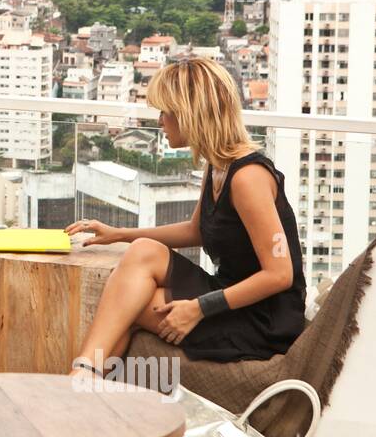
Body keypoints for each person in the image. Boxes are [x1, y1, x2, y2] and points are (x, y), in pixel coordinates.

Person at [66, 57, 305, 376]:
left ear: (191, 115)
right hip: (228, 288)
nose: (161, 121)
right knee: (142, 252)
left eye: (166, 112)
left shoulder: (248, 178)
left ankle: (85, 380)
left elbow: (280, 275)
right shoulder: (218, 165)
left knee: (131, 306)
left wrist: (199, 308)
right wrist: (120, 234)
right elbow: (197, 231)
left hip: (262, 318)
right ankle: (85, 374)